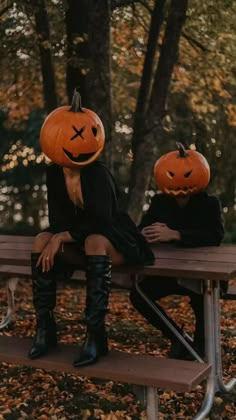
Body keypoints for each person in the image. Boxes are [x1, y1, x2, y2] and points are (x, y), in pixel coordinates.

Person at [28, 89, 154, 367]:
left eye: (89, 133)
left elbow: (104, 221)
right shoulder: (53, 173)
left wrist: (62, 236)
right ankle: (45, 328)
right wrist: (56, 236)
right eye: (74, 135)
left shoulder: (96, 173)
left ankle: (95, 334)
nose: (85, 141)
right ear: (52, 137)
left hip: (116, 242)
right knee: (40, 239)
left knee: (95, 239)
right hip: (81, 244)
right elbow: (58, 220)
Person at [130, 143, 225, 360]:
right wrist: (143, 233)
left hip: (202, 273)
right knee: (139, 295)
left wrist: (176, 234)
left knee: (202, 298)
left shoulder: (210, 204)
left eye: (186, 174)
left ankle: (202, 351)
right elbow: (143, 227)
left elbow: (215, 235)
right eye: (171, 174)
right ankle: (178, 338)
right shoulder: (160, 201)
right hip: (170, 272)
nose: (178, 180)